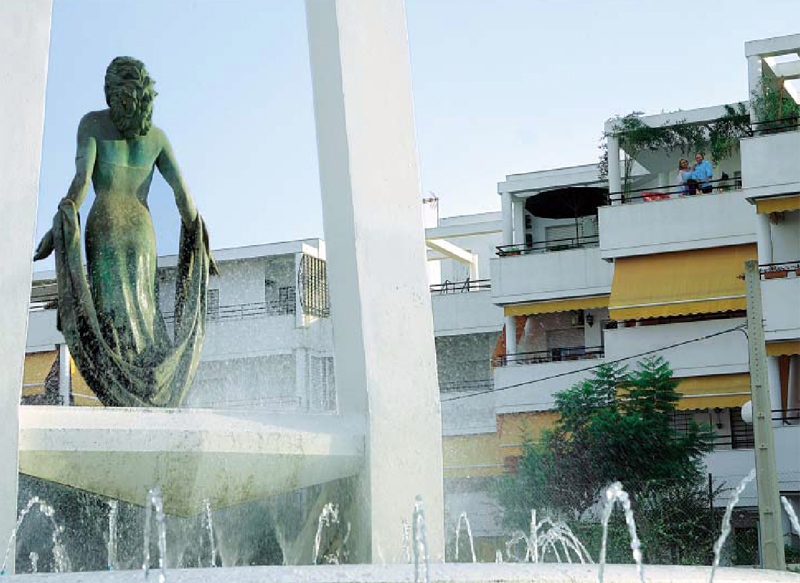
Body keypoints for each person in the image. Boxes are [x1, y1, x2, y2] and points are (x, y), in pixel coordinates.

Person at [33, 56, 218, 407]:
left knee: (112, 314)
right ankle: (149, 389)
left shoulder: (91, 124)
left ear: (112, 93)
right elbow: (183, 196)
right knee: (143, 309)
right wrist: (200, 242)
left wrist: (59, 225)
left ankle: (123, 394)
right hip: (141, 231)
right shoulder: (157, 138)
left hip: (105, 228)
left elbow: (80, 183)